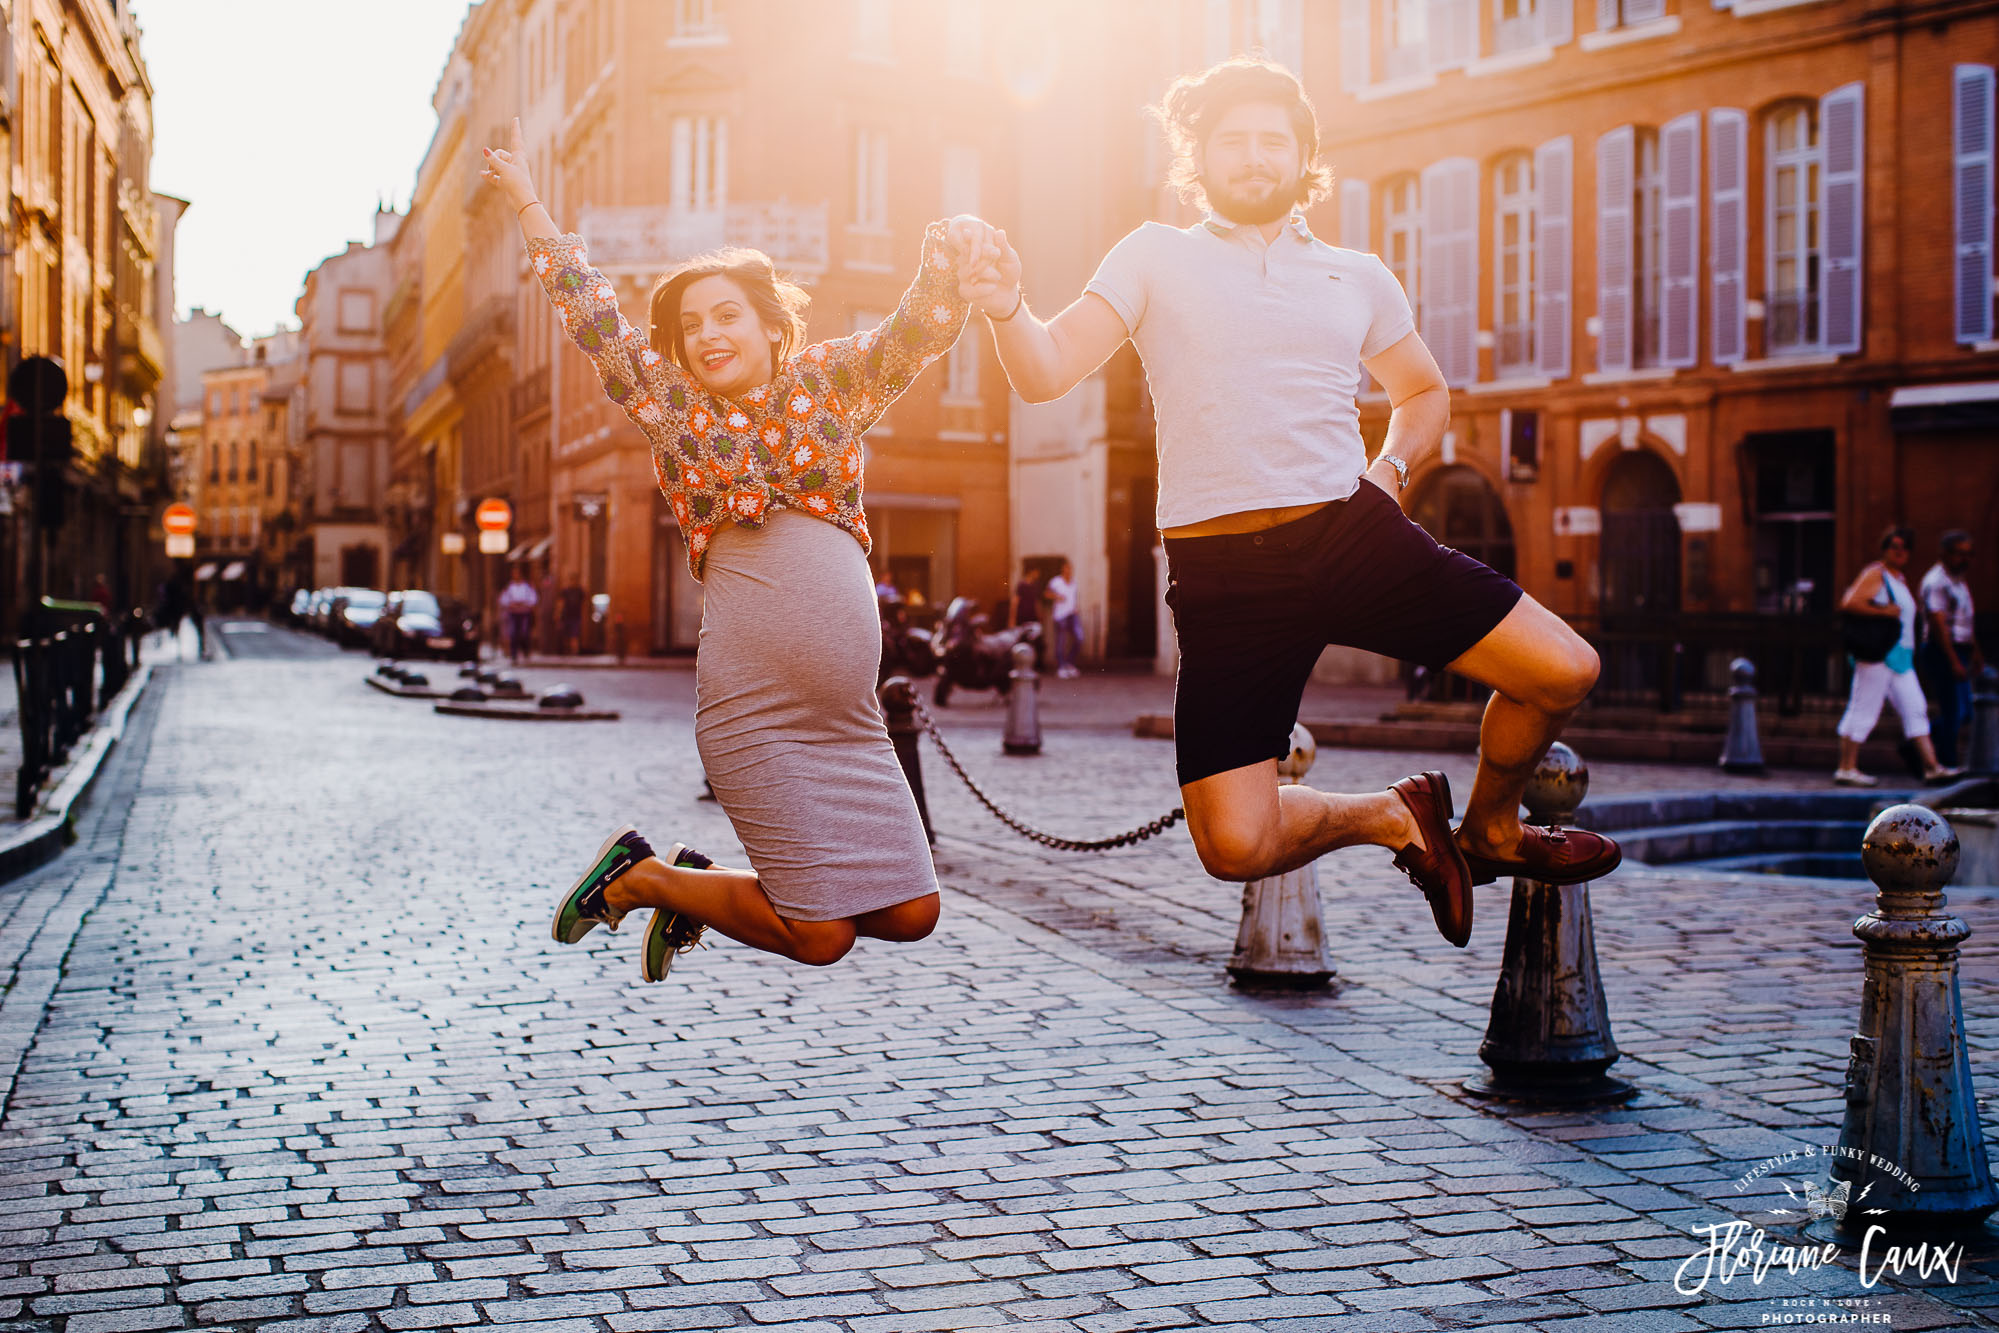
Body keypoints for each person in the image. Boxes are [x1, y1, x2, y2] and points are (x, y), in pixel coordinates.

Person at [957, 57, 1619, 948]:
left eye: (1273, 141)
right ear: (1199, 156)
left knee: (1563, 669)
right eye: (1232, 141)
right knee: (1236, 842)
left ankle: (1492, 830)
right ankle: (1394, 814)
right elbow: (1042, 373)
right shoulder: (1153, 253)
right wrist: (1004, 308)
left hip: (1348, 530)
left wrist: (1389, 472)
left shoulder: (1357, 273)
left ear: (1304, 155)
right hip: (1222, 574)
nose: (1254, 157)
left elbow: (1423, 391)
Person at [482, 118, 987, 980]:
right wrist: (526, 196)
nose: (709, 334)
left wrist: (956, 246)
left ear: (769, 324)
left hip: (847, 720)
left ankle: (690, 884)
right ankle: (645, 880)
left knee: (913, 911)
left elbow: (916, 330)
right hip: (755, 715)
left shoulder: (828, 384)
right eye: (690, 326)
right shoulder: (673, 412)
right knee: (820, 934)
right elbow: (585, 303)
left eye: (728, 315)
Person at [1835, 526, 1956, 786]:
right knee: (1863, 708)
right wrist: (1885, 612)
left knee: (1915, 708)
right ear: (1885, 549)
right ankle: (1846, 767)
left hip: (1901, 657)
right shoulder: (1875, 573)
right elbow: (1850, 603)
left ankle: (1932, 766)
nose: (1899, 552)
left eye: (1904, 548)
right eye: (1894, 547)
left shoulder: (1898, 579)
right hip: (1878, 654)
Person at [1918, 530, 1982, 771]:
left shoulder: (1959, 581)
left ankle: (1918, 741)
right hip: (1942, 650)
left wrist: (1975, 651)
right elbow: (1938, 623)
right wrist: (1953, 659)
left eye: (1969, 554)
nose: (1965, 559)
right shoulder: (1936, 581)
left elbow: (1965, 620)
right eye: (1959, 554)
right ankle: (1946, 761)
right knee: (1953, 710)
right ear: (1944, 553)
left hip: (1961, 649)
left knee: (1965, 711)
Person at [1047, 558, 1082, 678]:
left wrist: (1076, 607)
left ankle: (1069, 663)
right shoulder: (1056, 581)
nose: (1068, 571)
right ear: (1063, 569)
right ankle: (1061, 667)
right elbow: (1047, 593)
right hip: (1060, 615)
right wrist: (1057, 596)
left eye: (1070, 568)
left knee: (1079, 638)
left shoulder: (1074, 583)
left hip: (1072, 614)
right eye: (1066, 568)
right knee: (1061, 642)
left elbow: (1074, 597)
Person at [498, 570, 539, 663]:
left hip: (524, 613)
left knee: (524, 633)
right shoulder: (509, 587)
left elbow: (533, 599)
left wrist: (525, 604)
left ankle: (526, 651)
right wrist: (511, 604)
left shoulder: (527, 587)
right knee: (513, 633)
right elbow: (504, 600)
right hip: (513, 613)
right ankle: (514, 654)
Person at [556, 577, 585, 657]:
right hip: (566, 616)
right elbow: (560, 603)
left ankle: (574, 653)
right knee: (566, 635)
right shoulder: (565, 591)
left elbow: (584, 605)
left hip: (576, 616)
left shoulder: (580, 591)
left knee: (574, 635)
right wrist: (559, 615)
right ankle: (566, 652)